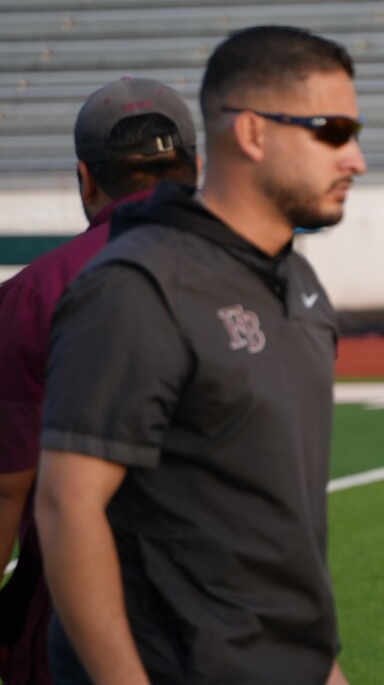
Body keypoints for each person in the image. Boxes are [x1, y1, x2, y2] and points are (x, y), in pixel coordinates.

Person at [35, 25, 366, 685]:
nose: (354, 158)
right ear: (252, 132)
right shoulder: (137, 287)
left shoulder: (300, 285)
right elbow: (67, 507)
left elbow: (273, 523)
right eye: (331, 130)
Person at [0, 76, 200, 685]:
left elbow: (9, 486)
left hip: (75, 609)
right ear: (195, 168)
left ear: (86, 178)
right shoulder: (267, 278)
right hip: (232, 607)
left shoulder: (31, 294)